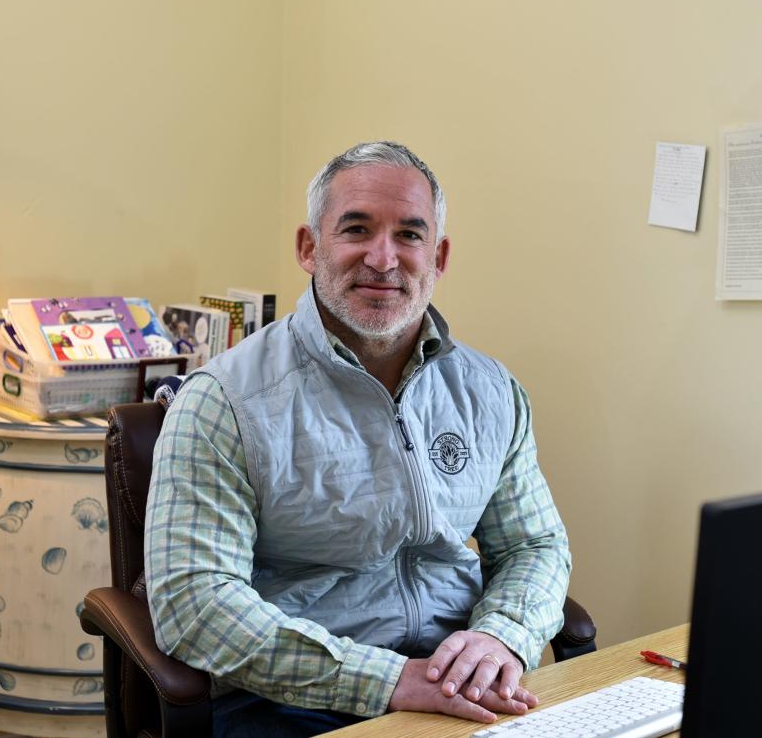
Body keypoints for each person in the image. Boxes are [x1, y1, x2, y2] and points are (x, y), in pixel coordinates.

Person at [145, 141, 571, 737]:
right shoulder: (224, 402)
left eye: (410, 235)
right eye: (356, 229)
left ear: (439, 256)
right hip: (292, 701)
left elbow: (536, 546)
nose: (383, 258)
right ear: (308, 247)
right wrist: (388, 679)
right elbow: (195, 606)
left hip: (465, 686)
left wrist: (502, 634)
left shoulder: (490, 392)